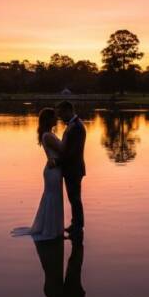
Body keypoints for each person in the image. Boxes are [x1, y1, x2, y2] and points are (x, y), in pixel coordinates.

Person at [11, 108, 65, 241]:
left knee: (52, 197)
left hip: (54, 170)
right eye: (54, 117)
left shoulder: (48, 134)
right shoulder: (47, 136)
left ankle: (52, 228)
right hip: (53, 171)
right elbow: (63, 151)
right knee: (52, 198)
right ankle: (50, 230)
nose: (57, 119)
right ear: (49, 119)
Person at [55, 101, 86, 235]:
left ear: (68, 110)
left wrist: (57, 162)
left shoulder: (77, 127)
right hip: (72, 168)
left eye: (61, 113)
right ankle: (75, 224)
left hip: (74, 168)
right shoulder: (73, 125)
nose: (60, 117)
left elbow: (73, 151)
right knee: (73, 198)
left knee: (75, 198)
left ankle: (78, 226)